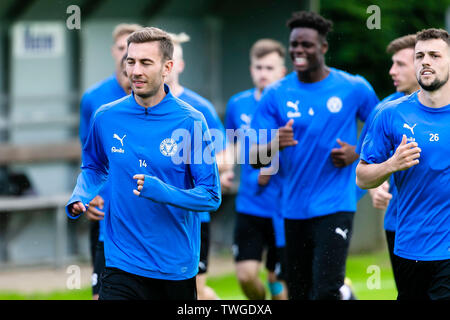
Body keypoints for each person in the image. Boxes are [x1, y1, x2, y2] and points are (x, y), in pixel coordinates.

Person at [67, 27, 221, 300]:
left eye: (145, 62)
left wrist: (163, 192)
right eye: (131, 61)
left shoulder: (191, 121)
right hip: (121, 260)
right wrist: (82, 195)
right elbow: (94, 167)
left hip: (174, 266)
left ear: (167, 67)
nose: (135, 71)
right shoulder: (105, 116)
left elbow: (210, 196)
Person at [249, 11, 379, 300]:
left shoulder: (353, 88)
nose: (298, 50)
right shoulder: (276, 93)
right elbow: (255, 158)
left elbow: (382, 130)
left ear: (323, 47)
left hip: (336, 205)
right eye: (294, 44)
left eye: (306, 44)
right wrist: (273, 143)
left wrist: (357, 152)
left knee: (325, 291)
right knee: (297, 292)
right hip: (293, 209)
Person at [356, 28, 450, 300]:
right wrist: (391, 165)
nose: (426, 61)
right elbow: (362, 177)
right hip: (409, 244)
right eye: (419, 56)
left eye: (435, 55)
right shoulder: (391, 114)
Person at [165, 31, 230, 300]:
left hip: (192, 216)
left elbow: (225, 157)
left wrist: (191, 167)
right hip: (152, 214)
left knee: (196, 291)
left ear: (179, 65)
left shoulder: (199, 108)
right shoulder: (138, 108)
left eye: (172, 60)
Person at [78, 23, 141, 300]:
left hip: (145, 212)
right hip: (106, 213)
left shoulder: (159, 99)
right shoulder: (94, 98)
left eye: (132, 48)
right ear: (113, 52)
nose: (126, 53)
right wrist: (86, 192)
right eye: (121, 47)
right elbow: (89, 156)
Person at [225, 38, 288, 300]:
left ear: (283, 72)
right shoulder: (237, 104)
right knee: (246, 276)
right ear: (251, 69)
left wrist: (271, 163)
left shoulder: (290, 105)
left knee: (278, 282)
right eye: (259, 67)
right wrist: (225, 171)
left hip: (284, 206)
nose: (263, 73)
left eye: (270, 68)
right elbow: (230, 145)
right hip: (250, 204)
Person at [356, 34, 419, 291]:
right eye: (392, 63)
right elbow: (365, 162)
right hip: (398, 222)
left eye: (400, 64)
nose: (392, 71)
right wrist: (375, 188)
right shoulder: (385, 109)